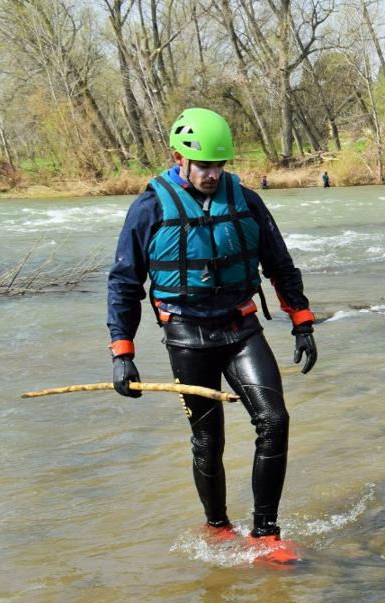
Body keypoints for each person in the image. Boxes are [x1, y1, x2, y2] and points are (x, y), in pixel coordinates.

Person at [106, 107, 318, 551]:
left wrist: (301, 320)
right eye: (203, 165)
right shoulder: (149, 207)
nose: (211, 174)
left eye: (219, 165)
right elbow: (125, 282)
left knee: (274, 420)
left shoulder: (247, 201)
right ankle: (218, 527)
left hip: (241, 327)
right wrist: (122, 352)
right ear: (177, 157)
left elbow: (279, 263)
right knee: (208, 438)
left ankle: (265, 535)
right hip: (186, 336)